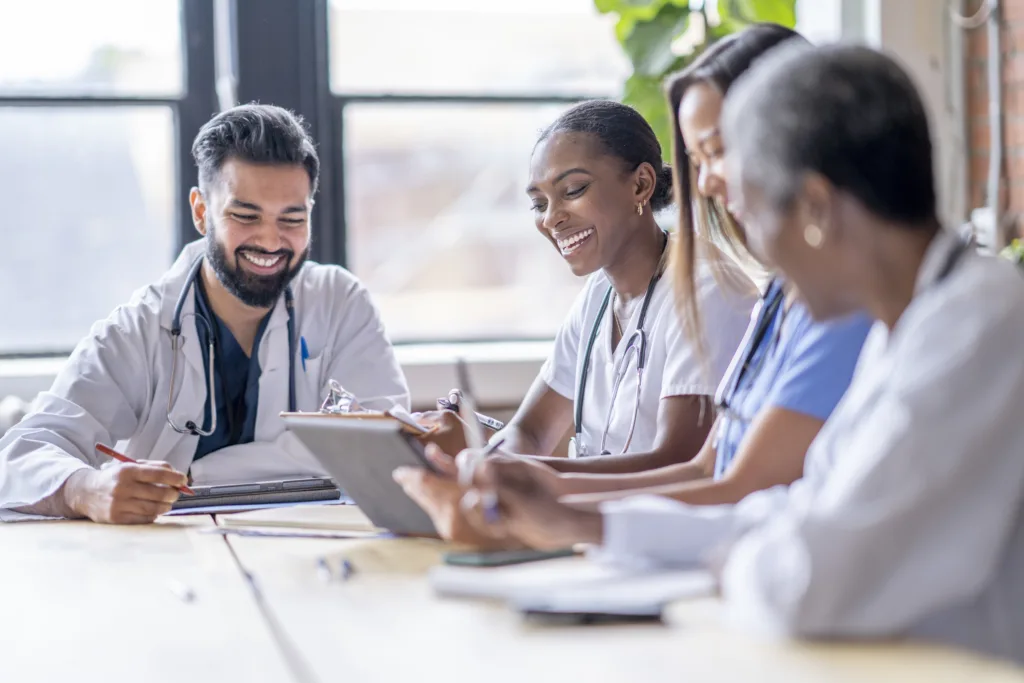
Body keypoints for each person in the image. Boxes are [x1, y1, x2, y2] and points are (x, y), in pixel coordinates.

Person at [458, 44, 1024, 662]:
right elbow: (789, 511)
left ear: (814, 209)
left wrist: (728, 561)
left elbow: (809, 579)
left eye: (752, 212)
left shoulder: (976, 329)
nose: (762, 267)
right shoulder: (909, 323)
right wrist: (578, 522)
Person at [398, 25, 873, 538]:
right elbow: (705, 470)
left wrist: (554, 504)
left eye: (719, 153)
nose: (709, 182)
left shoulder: (772, 298)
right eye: (539, 203)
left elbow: (713, 474)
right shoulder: (784, 299)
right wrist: (502, 477)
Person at [0, 103, 409, 524]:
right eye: (245, 216)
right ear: (201, 212)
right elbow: (24, 451)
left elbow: (383, 453)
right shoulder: (140, 328)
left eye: (292, 218)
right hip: (165, 559)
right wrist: (86, 490)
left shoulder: (341, 304)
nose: (271, 240)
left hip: (309, 553)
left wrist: (196, 475)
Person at [396, 100, 756, 541]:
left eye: (573, 191)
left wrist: (522, 475)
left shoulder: (707, 289)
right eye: (539, 203)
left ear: (641, 184)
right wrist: (490, 465)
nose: (552, 218)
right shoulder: (599, 296)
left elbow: (679, 460)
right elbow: (530, 431)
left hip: (661, 537)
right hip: (590, 528)